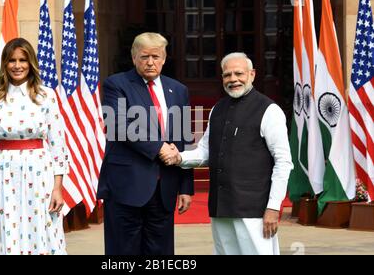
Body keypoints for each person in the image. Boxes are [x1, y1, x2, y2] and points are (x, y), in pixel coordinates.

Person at [161, 52, 293, 255]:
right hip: (221, 208)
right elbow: (205, 151)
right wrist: (179, 157)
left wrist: (274, 208)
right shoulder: (217, 109)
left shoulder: (269, 110)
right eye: (227, 75)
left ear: (252, 74)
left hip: (255, 210)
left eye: (238, 73)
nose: (233, 79)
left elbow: (283, 162)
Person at [97, 32, 194, 255]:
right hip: (126, 187)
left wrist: (185, 187)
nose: (150, 62)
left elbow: (183, 139)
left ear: (164, 58)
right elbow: (118, 125)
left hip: (164, 188)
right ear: (133, 58)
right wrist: (159, 147)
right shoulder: (116, 84)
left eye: (156, 56)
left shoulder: (178, 90)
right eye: (144, 57)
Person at [0, 38, 68, 255]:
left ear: (31, 63)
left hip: (39, 170)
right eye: (12, 60)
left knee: (44, 228)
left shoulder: (46, 96)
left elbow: (58, 146)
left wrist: (57, 188)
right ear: (5, 64)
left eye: (23, 60)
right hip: (1, 173)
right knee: (6, 230)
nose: (17, 66)